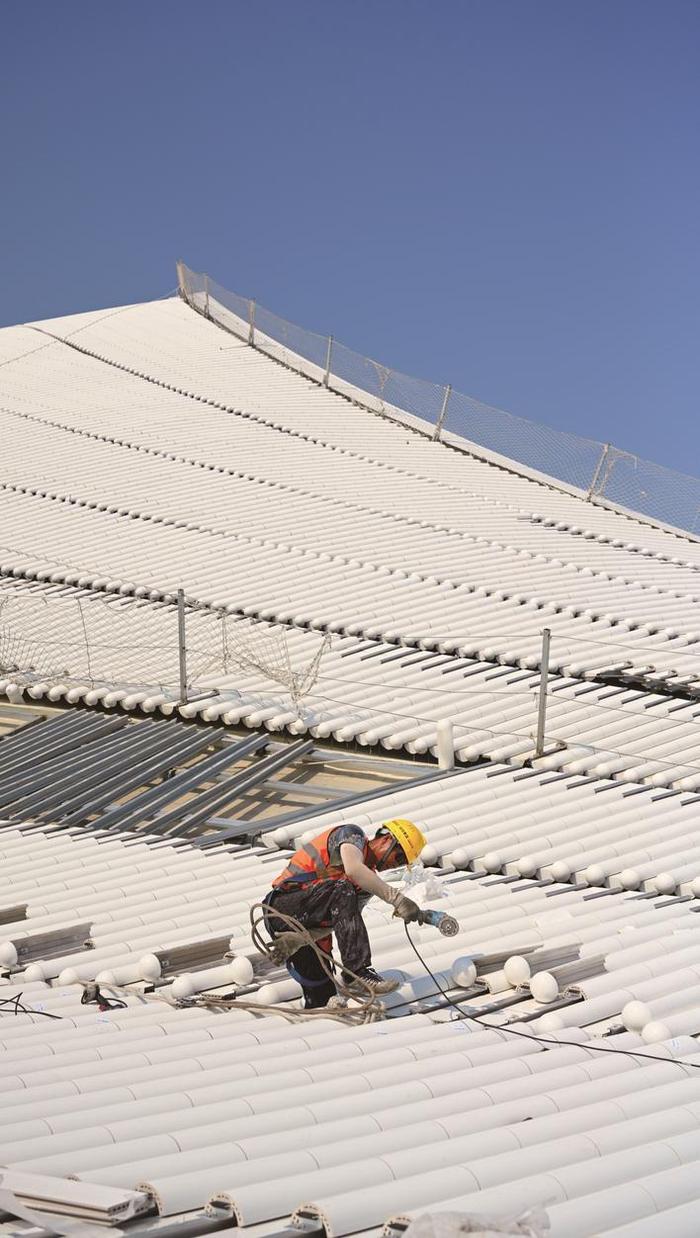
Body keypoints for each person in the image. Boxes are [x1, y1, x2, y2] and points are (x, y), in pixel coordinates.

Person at [263, 818, 426, 1008]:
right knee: (343, 886)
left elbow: (340, 923)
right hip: (283, 906)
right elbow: (353, 868)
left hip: (303, 933)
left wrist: (298, 940)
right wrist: (397, 899)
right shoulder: (351, 836)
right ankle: (356, 972)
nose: (394, 865)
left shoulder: (365, 884)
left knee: (322, 999)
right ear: (386, 840)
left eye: (401, 864)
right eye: (398, 858)